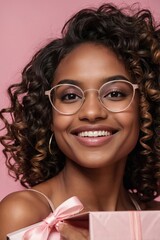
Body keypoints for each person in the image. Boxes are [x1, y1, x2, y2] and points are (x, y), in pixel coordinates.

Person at [0, 2, 160, 240]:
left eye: (115, 93)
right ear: (49, 116)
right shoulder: (26, 214)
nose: (92, 112)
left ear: (145, 108)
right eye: (70, 96)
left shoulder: (154, 217)